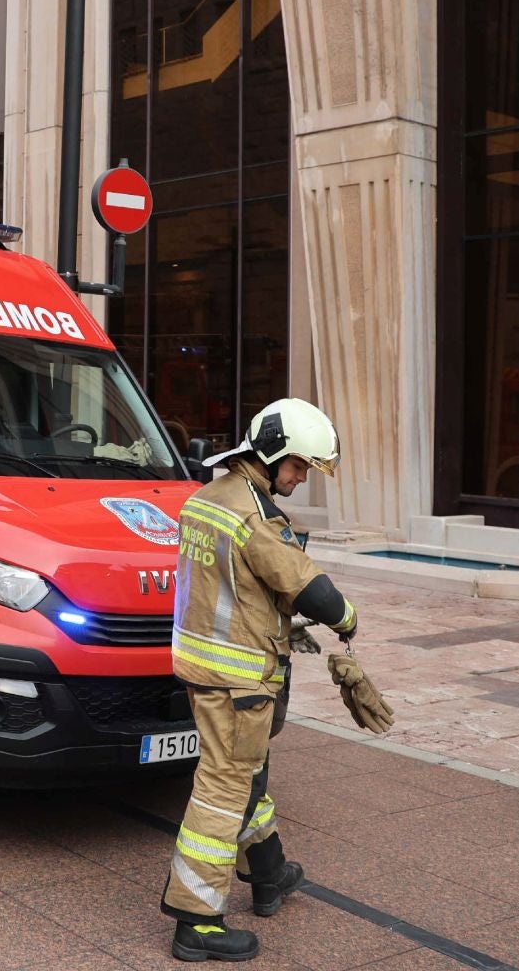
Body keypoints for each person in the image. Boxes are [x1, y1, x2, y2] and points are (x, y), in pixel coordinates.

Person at [161, 398, 389, 963]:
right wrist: (348, 620)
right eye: (298, 465)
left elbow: (236, 588)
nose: (301, 476)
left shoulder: (208, 498)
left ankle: (268, 873)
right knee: (223, 788)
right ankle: (197, 921)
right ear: (271, 454)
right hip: (238, 679)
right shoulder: (253, 518)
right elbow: (312, 590)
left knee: (250, 773)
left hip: (204, 667)